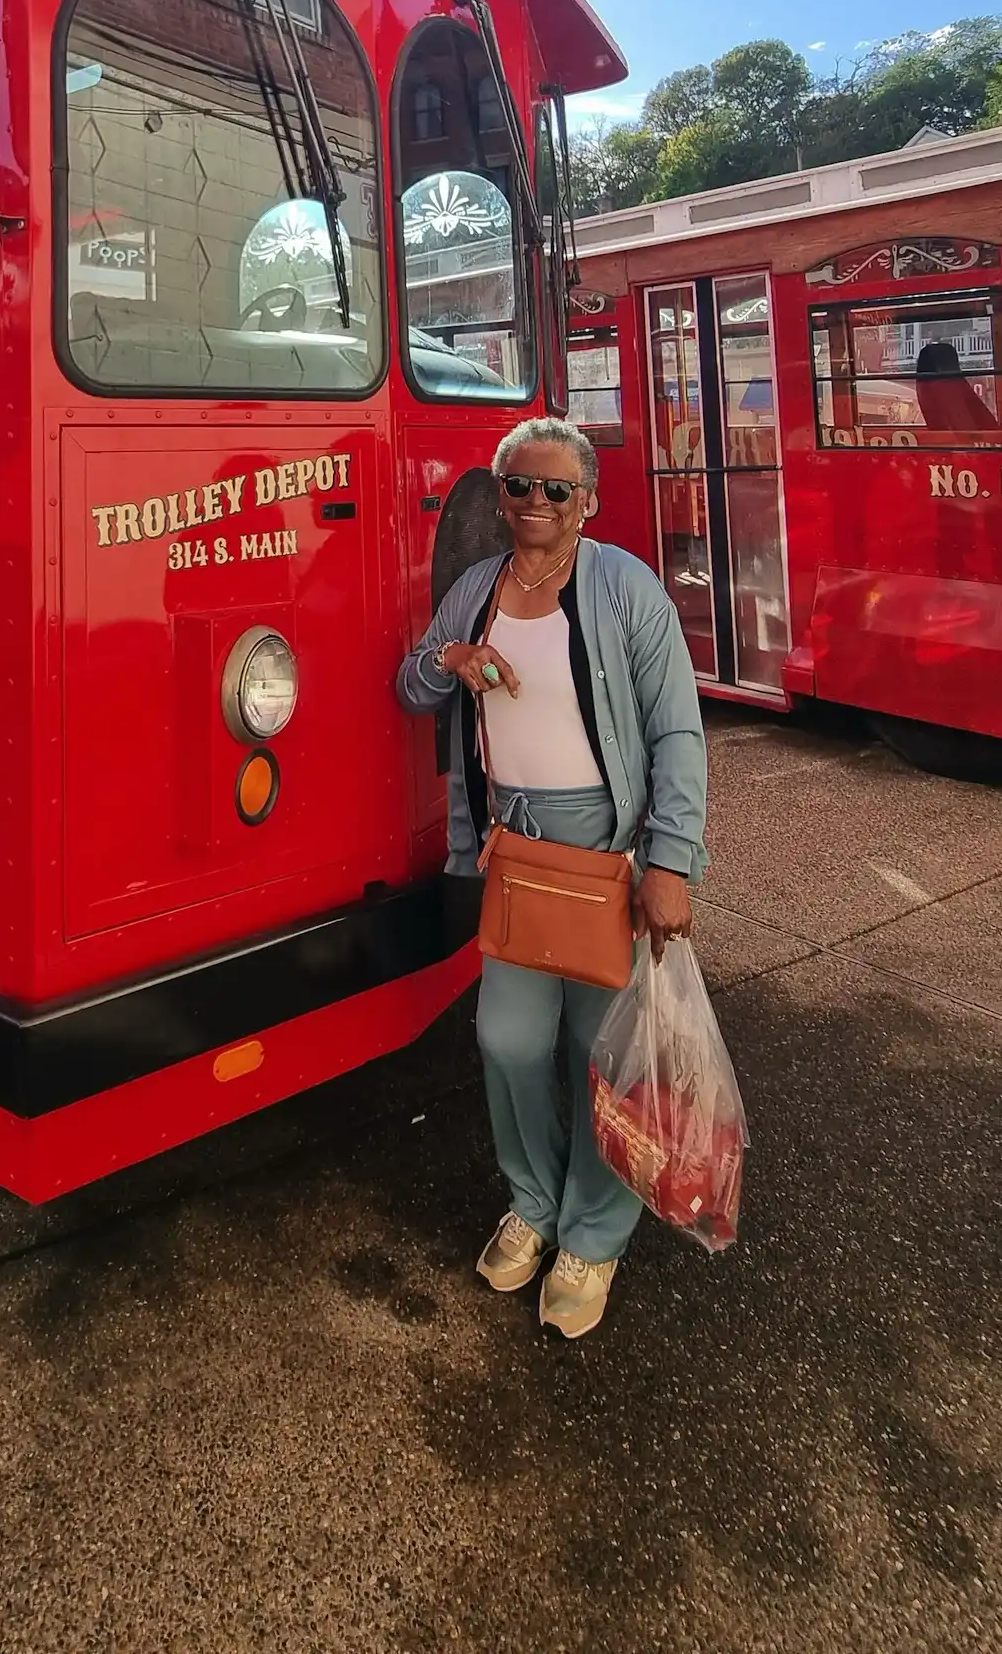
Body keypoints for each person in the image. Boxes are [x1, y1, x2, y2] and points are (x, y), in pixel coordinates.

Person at [396, 416, 708, 1340]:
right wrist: (443, 659)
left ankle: (591, 1236)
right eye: (520, 488)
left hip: (604, 850)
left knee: (602, 1058)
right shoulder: (474, 591)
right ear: (500, 499)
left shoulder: (625, 590)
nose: (536, 502)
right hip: (514, 851)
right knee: (508, 1041)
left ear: (589, 502)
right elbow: (410, 689)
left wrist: (671, 862)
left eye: (556, 489)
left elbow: (677, 732)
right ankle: (533, 1202)